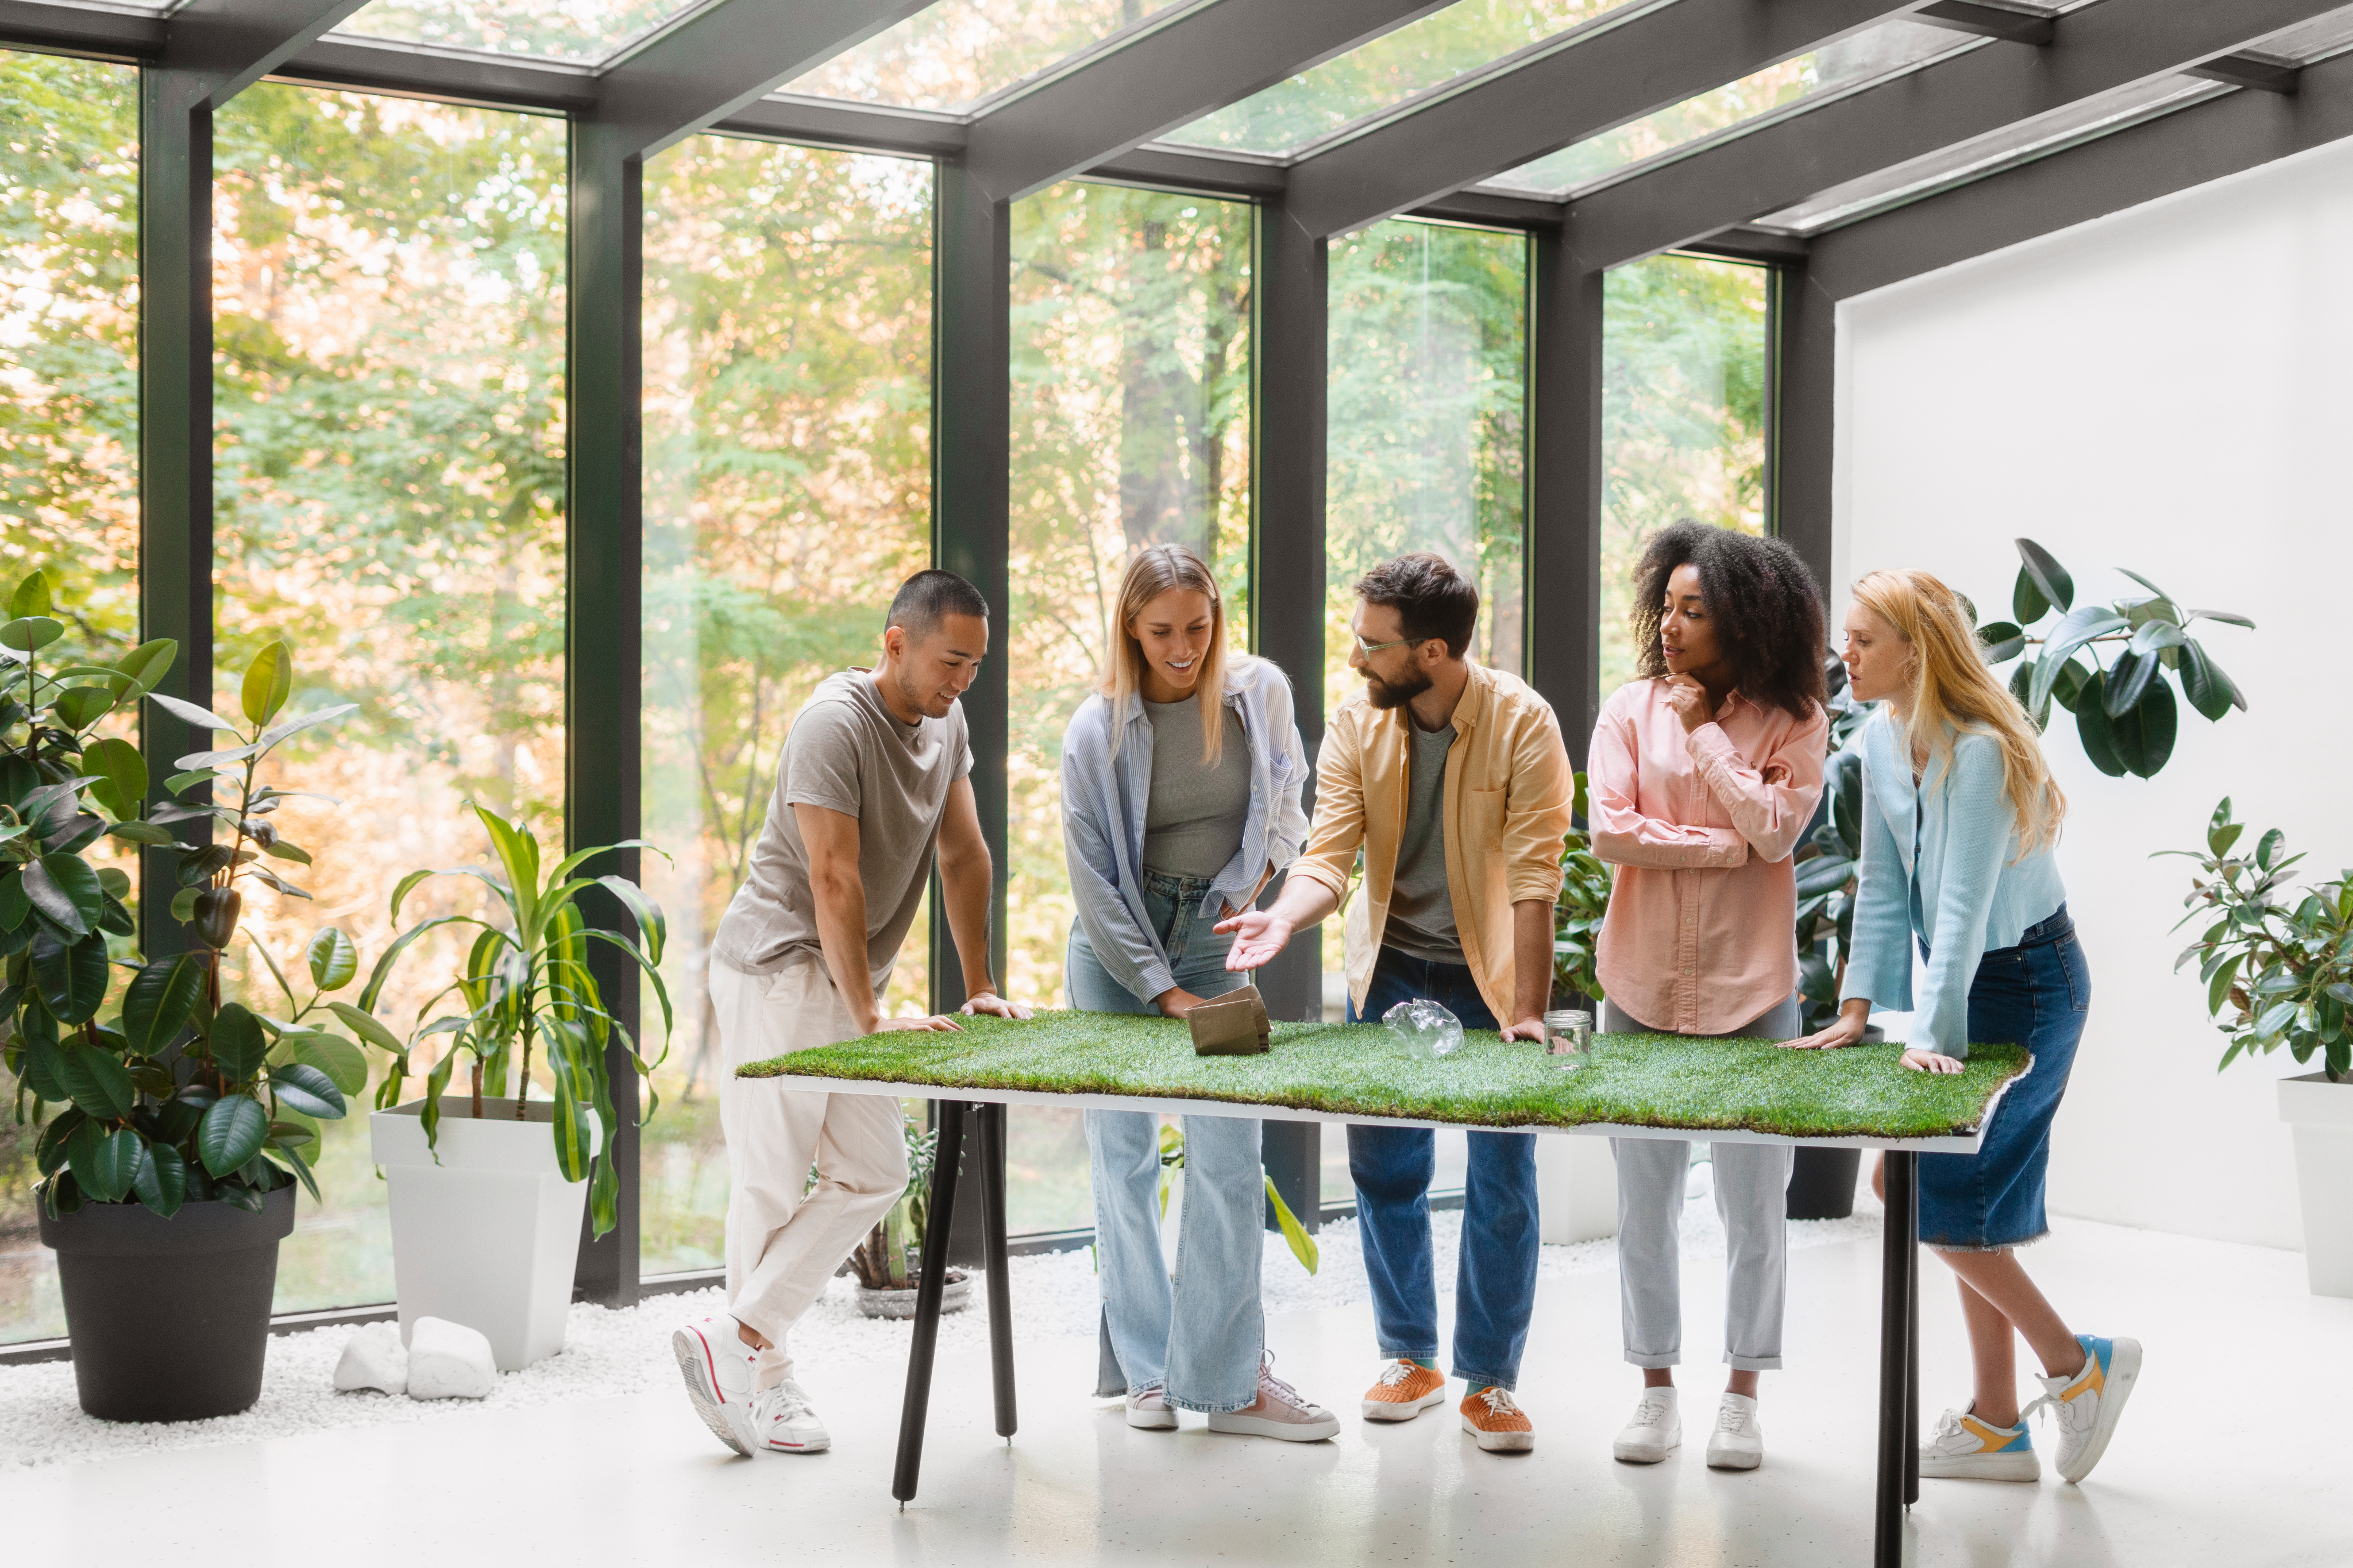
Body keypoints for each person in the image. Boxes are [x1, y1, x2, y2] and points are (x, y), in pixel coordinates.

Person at [1782, 567, 2140, 1485]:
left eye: (1864, 638)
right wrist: (1857, 1010)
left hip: (2028, 981)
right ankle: (1995, 1422)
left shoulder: (1977, 749)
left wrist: (1928, 1036)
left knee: (1928, 1198)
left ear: (1916, 647)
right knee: (1963, 1203)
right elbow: (1882, 887)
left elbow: (1965, 906)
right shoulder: (1877, 737)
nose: (1846, 654)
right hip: (1978, 980)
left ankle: (2076, 1366)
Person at [672, 569, 1031, 1459]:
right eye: (952, 659)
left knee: (872, 1171)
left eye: (976, 666)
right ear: (896, 641)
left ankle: (737, 1335)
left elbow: (965, 852)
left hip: (844, 975)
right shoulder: (833, 724)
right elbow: (833, 876)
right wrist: (869, 1016)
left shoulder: (947, 724)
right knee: (771, 1175)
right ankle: (765, 1383)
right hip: (777, 969)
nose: (962, 681)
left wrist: (979, 978)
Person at [1220, 551, 1573, 1454]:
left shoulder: (1525, 724)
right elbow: (1329, 853)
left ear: (1436, 652)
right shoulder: (1355, 721)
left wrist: (1528, 1009)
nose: (1354, 659)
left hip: (1491, 977)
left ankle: (1491, 1380)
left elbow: (1536, 878)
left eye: (1373, 645)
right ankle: (1408, 1355)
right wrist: (1279, 920)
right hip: (1389, 971)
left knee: (1502, 1180)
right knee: (1385, 1168)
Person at [1061, 543, 1336, 1441]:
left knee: (1226, 1155)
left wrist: (1255, 886)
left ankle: (1226, 1383)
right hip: (1117, 954)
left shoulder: (1261, 692)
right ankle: (1148, 1371)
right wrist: (1159, 991)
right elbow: (1095, 885)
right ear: (1130, 631)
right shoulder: (1096, 729)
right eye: (1161, 632)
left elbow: (1292, 801)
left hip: (1218, 938)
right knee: (1126, 1158)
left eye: (1198, 626)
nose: (1183, 647)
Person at [1588, 521, 1829, 1473]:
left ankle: (1741, 1394)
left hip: (1753, 990)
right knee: (1643, 1203)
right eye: (1670, 605)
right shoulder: (1626, 707)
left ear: (1746, 621)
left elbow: (1777, 831)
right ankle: (1654, 1390)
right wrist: (1724, 843)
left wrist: (1704, 741)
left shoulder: (1795, 719)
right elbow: (1611, 831)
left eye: (1696, 610)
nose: (1673, 624)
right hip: (1638, 983)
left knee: (1752, 1203)